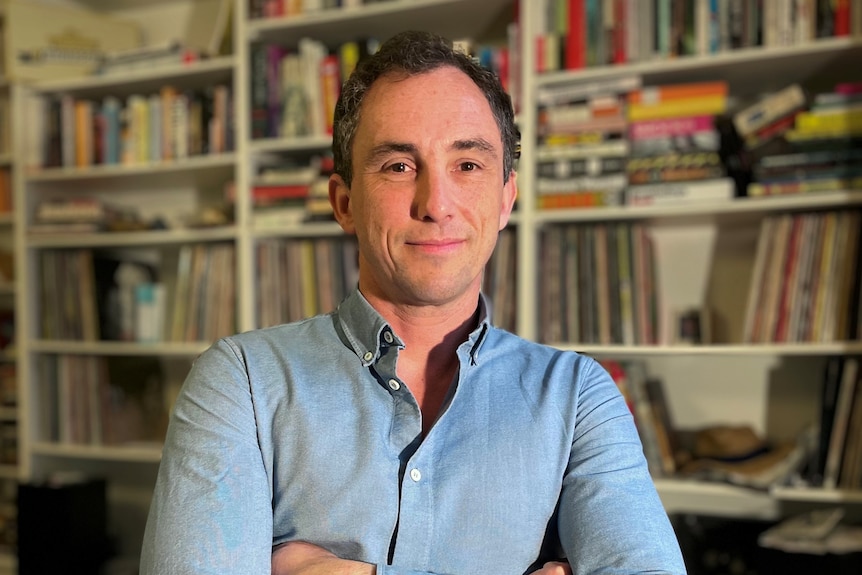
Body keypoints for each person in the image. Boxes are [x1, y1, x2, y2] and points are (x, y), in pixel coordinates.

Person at [140, 30, 687, 575]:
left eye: (468, 165)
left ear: (505, 199)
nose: (436, 204)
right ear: (345, 202)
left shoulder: (578, 398)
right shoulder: (241, 383)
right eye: (398, 166)